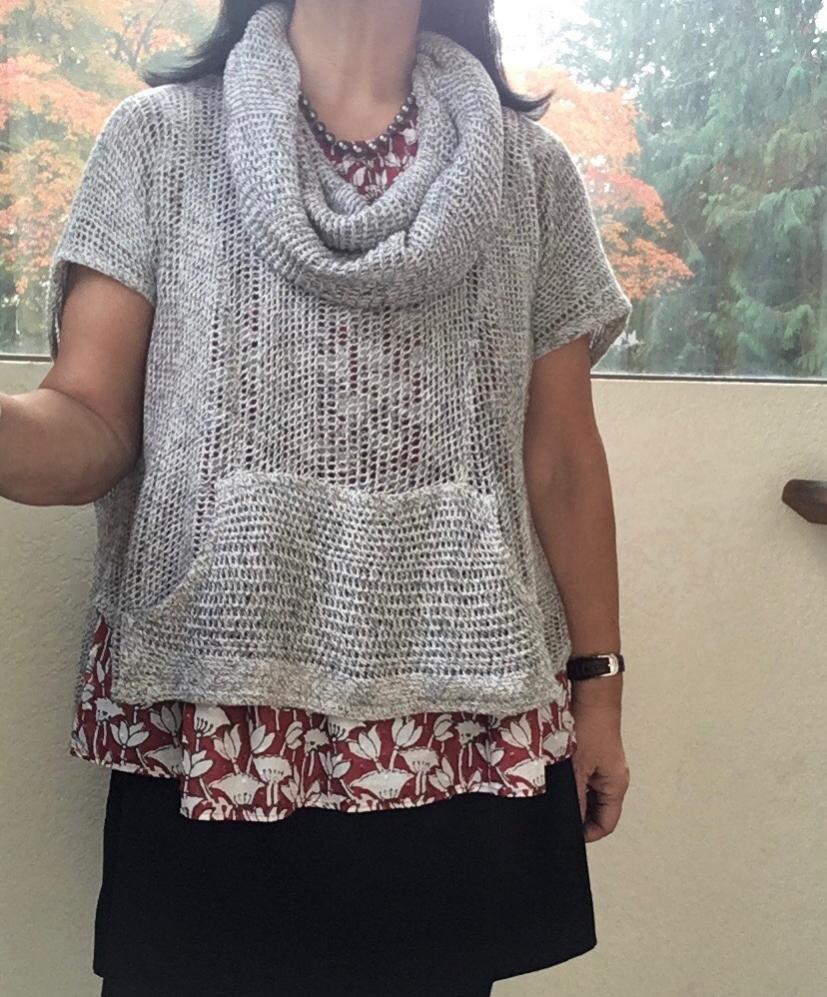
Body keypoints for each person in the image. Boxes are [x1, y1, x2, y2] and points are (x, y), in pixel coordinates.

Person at [0, 0, 633, 994]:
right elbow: (90, 423)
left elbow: (560, 460)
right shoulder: (160, 142)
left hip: (459, 720)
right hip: (218, 720)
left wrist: (599, 691)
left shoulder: (531, 174)